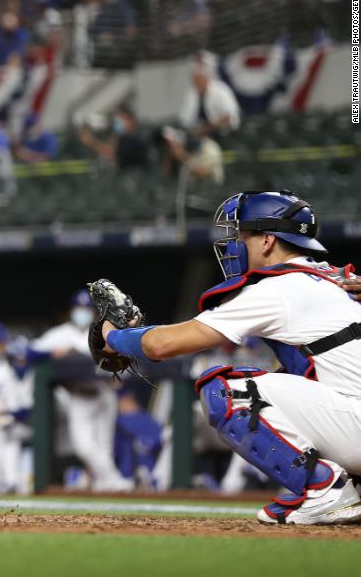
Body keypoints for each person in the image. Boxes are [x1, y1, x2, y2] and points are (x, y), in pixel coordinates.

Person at [100, 191, 361, 524]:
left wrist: (112, 336)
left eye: (241, 235)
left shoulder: (280, 288)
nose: (234, 244)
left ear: (268, 240)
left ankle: (324, 488)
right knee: (287, 377)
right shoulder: (334, 280)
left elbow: (162, 345)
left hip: (355, 423)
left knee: (227, 389)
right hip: (353, 417)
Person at [31, 290, 132, 492]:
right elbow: (29, 350)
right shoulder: (61, 334)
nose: (82, 312)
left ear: (94, 312)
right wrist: (52, 352)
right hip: (79, 395)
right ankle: (113, 480)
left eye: (86, 309)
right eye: (78, 308)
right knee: (83, 446)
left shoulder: (105, 333)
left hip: (103, 393)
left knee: (104, 445)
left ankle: (103, 485)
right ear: (71, 311)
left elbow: (126, 364)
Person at [0, 327, 33, 494]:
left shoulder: (12, 364)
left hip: (17, 419)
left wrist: (13, 414)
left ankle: (12, 482)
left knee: (10, 447)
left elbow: (24, 397)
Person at [78, 105, 151, 170]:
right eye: (117, 120)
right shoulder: (122, 139)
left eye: (122, 120)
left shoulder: (136, 139)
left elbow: (113, 154)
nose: (118, 123)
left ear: (131, 120)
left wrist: (91, 141)